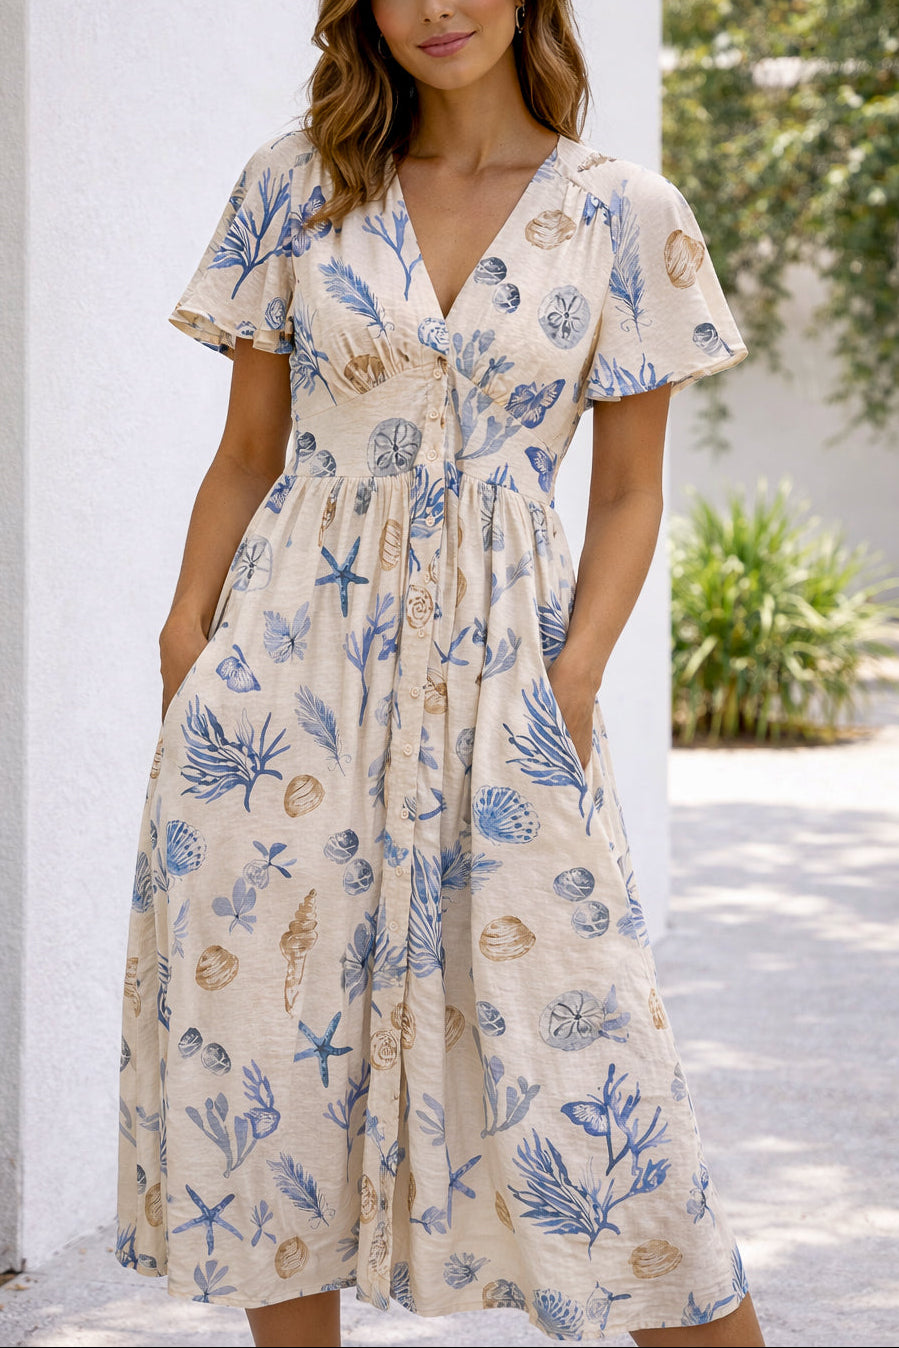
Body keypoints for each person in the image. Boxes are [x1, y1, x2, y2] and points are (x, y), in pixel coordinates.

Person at [115, 3, 765, 1346]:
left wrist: (572, 679)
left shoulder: (624, 214)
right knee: (272, 1047)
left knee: (585, 1051)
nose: (437, 10)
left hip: (506, 685)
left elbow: (633, 492)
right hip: (280, 686)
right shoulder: (296, 183)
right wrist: (187, 642)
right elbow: (249, 450)